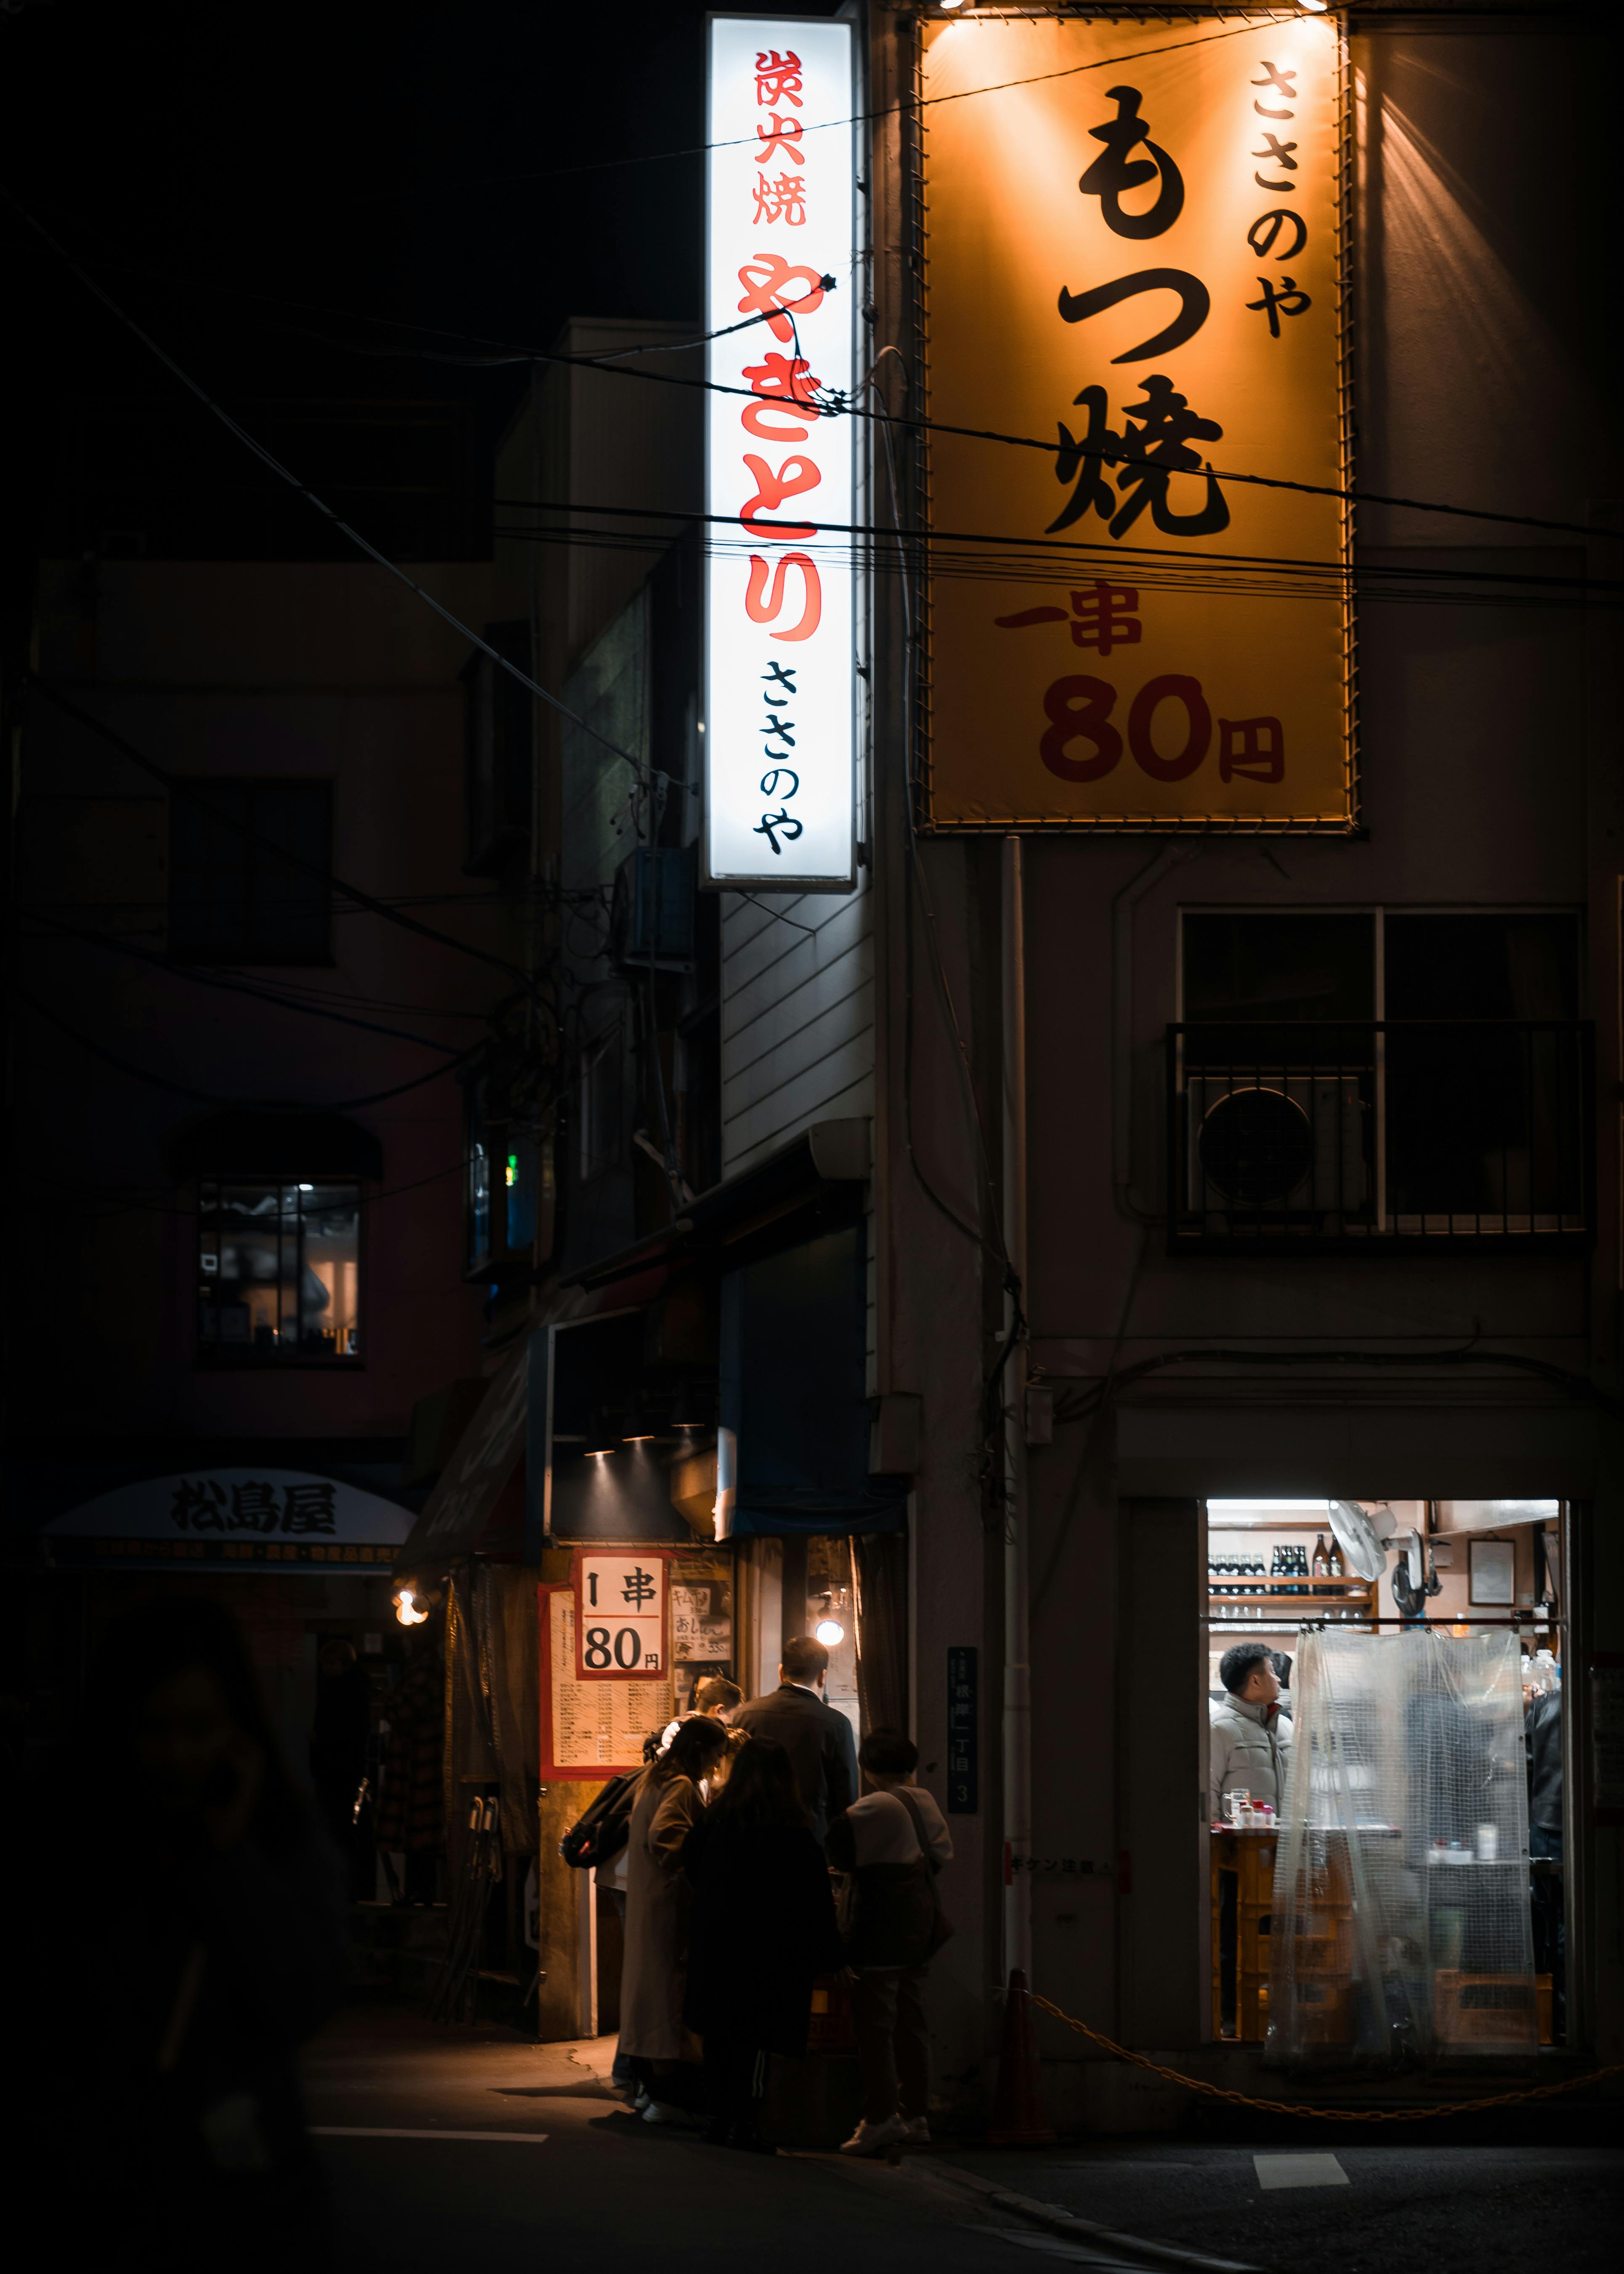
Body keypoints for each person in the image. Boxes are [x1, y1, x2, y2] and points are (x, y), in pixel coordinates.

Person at [22, 1596, 349, 2271]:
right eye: (153, 1729)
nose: (177, 1753)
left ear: (237, 1728)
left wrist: (230, 1859)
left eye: (199, 1727)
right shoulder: (67, 1844)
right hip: (96, 2191)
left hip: (243, 2194)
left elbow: (301, 1998)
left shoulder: (274, 1839)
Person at [681, 1737, 842, 2152]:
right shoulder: (792, 1830)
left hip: (717, 1946)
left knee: (719, 2034)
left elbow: (693, 1870)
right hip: (769, 1952)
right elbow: (814, 1899)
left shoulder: (715, 1821)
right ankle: (746, 2124)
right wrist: (828, 1955)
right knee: (755, 2040)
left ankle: (716, 2119)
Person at [824, 1727, 953, 2156]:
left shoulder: (874, 1806)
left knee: (875, 2027)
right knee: (912, 2023)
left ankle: (880, 2118)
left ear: (870, 1767)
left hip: (880, 1926)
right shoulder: (926, 1801)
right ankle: (917, 2115)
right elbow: (942, 1857)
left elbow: (837, 1849)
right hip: (918, 1925)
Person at [618, 1712, 729, 2125]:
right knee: (667, 1999)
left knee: (648, 1996)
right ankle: (667, 2098)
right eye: (716, 1755)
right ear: (699, 1749)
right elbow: (665, 1836)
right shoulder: (681, 1785)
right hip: (667, 1903)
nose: (717, 1765)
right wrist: (694, 1867)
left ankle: (653, 2093)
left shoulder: (654, 1777)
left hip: (647, 1898)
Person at [1209, 1643, 1293, 2038]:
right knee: (1233, 1940)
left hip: (1283, 1858)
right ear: (1255, 1680)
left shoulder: (1284, 1726)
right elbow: (1207, 1794)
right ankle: (1232, 2017)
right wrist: (1217, 1845)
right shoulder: (1220, 1728)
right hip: (1236, 1860)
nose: (1279, 1678)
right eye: (1272, 1673)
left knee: (1282, 1941)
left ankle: (1278, 2018)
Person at [733, 1635, 859, 1842]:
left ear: (781, 1672)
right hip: (812, 1838)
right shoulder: (836, 1724)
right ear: (822, 1677)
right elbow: (846, 1796)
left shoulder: (745, 1715)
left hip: (752, 1835)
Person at [308, 1638, 371, 1896]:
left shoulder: (340, 1691)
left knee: (337, 1826)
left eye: (330, 1664)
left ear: (341, 1664)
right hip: (346, 1767)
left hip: (337, 1768)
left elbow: (336, 1731)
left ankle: (341, 1887)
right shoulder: (356, 1688)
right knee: (343, 1828)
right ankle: (348, 1887)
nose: (326, 1670)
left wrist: (319, 1742)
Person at [1526, 1681, 1564, 2033]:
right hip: (1586, 1825)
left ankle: (1550, 2012)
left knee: (1546, 1915)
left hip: (1544, 1822)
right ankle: (1570, 2010)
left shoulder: (1543, 1705)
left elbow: (1525, 1762)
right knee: (1574, 1919)